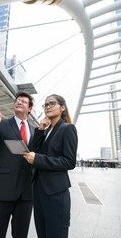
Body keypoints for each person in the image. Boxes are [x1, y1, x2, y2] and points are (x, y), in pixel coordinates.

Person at [0, 91, 35, 238]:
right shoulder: (1, 125)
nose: (19, 102)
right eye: (17, 100)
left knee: (20, 235)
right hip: (1, 191)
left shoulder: (36, 131)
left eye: (23, 101)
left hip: (26, 194)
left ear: (30, 109)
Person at [22, 94, 78, 238]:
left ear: (62, 108)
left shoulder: (68, 129)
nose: (47, 107)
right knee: (42, 233)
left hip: (56, 193)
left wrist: (38, 159)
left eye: (52, 104)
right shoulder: (45, 131)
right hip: (39, 192)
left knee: (55, 233)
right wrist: (40, 130)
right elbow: (34, 151)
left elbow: (69, 162)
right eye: (46, 105)